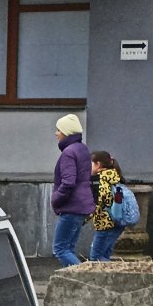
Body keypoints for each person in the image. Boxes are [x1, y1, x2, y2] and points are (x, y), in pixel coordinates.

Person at [51, 114, 94, 267]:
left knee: (60, 249)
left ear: (66, 132)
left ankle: (83, 278)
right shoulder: (82, 149)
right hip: (82, 206)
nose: (56, 133)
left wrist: (55, 199)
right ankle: (76, 281)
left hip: (72, 207)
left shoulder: (69, 152)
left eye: (58, 130)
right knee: (69, 248)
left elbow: (68, 182)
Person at [89, 150, 127, 262]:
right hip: (117, 220)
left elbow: (99, 202)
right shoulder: (115, 176)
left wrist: (83, 219)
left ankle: (121, 274)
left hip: (105, 223)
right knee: (104, 255)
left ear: (98, 164)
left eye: (89, 164)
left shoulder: (99, 180)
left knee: (96, 257)